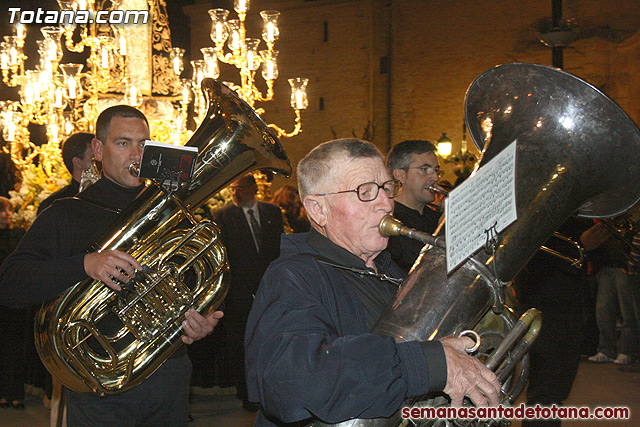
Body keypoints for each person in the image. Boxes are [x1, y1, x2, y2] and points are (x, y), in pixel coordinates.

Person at [245, 138, 500, 426]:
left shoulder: (391, 273)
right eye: (364, 191)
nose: (385, 203)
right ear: (318, 210)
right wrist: (428, 364)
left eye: (387, 188)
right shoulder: (291, 277)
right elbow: (290, 382)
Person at [0, 105, 223, 427]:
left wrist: (201, 320)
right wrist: (85, 264)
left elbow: (200, 282)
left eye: (144, 144)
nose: (136, 154)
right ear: (97, 150)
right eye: (123, 143)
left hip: (168, 372)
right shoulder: (66, 213)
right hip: (102, 378)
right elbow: (10, 283)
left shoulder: (175, 214)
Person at [513, 218, 609, 427]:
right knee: (545, 386)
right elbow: (531, 263)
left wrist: (593, 246)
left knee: (561, 384)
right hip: (542, 305)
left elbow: (597, 261)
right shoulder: (538, 213)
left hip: (573, 305)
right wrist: (580, 245)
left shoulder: (577, 218)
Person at [212, 173, 284, 411]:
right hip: (239, 294)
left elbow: (278, 249)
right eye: (232, 189)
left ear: (253, 188)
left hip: (270, 288)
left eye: (239, 188)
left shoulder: (272, 213)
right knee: (241, 344)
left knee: (271, 341)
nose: (235, 193)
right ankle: (247, 394)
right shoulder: (223, 216)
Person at [385, 139, 445, 272]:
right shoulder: (389, 222)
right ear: (400, 175)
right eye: (424, 169)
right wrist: (441, 234)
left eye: (436, 170)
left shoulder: (437, 217)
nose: (435, 177)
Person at [587, 220, 638, 366]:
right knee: (603, 311)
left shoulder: (629, 223)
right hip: (606, 268)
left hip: (624, 269)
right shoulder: (605, 221)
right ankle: (606, 350)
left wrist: (631, 266)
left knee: (628, 312)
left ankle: (627, 351)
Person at [0, 196, 27, 410]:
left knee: (15, 347)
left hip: (14, 299)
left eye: (9, 210)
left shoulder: (18, 234)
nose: (7, 214)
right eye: (3, 211)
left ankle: (16, 393)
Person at [37, 132, 95, 215]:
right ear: (77, 162)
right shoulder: (53, 206)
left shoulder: (108, 197)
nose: (101, 161)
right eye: (93, 157)